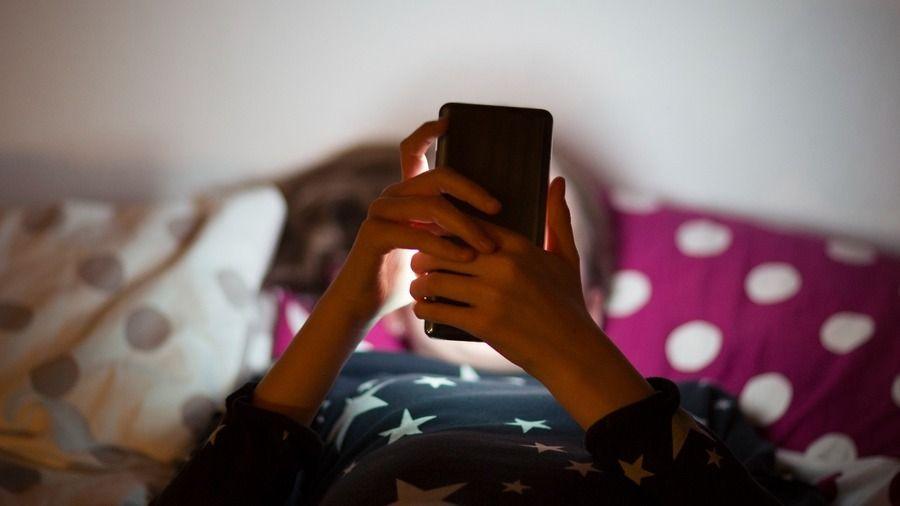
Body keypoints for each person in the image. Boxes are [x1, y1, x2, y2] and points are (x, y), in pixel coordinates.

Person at [152, 119, 797, 505]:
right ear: (402, 307)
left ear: (592, 305)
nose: (496, 257)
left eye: (530, 246)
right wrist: (348, 307)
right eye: (452, 240)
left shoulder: (688, 408)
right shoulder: (327, 384)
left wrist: (572, 352)